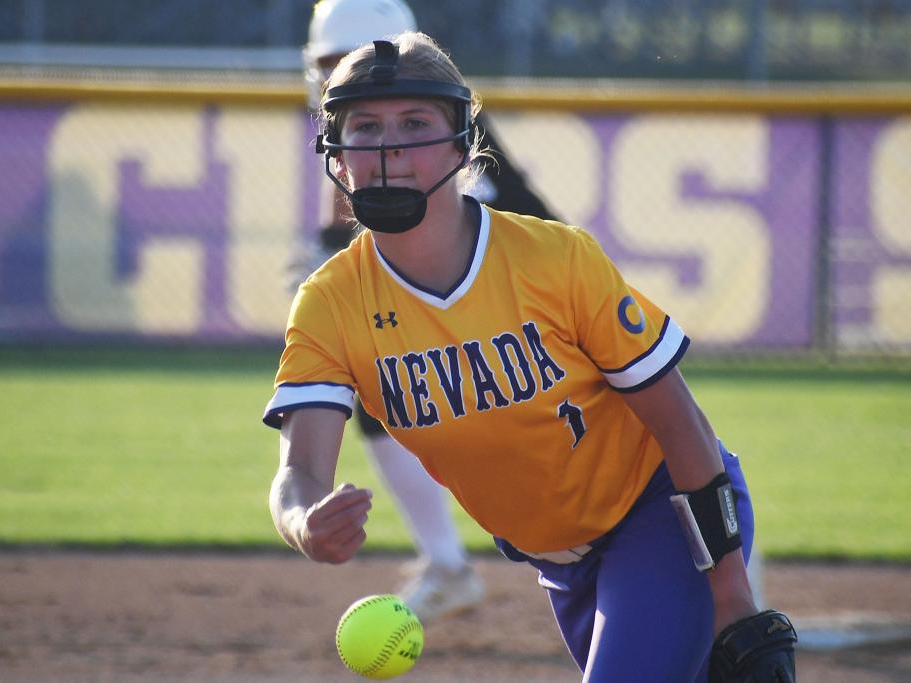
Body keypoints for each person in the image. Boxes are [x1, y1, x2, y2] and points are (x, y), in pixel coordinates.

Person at [266, 32, 796, 681]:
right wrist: (304, 521)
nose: (389, 146)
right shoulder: (329, 303)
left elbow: (679, 420)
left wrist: (733, 595)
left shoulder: (554, 257)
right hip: (560, 565)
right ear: (337, 156)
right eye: (365, 126)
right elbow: (300, 470)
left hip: (661, 517)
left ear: (462, 141)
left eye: (414, 122)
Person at [296, 0, 557, 623]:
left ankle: (732, 599)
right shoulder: (392, 121)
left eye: (350, 57)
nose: (347, 74)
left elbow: (415, 236)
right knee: (372, 394)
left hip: (530, 301)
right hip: (476, 295)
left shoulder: (417, 130)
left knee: (657, 456)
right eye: (333, 64)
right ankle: (446, 563)